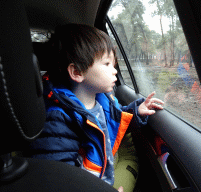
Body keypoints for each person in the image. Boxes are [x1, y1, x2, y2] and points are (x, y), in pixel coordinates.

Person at [28, 24, 164, 192]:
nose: (114, 71)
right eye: (107, 64)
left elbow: (114, 118)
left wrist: (136, 112)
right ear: (77, 72)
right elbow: (59, 180)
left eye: (114, 64)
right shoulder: (58, 119)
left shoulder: (102, 99)